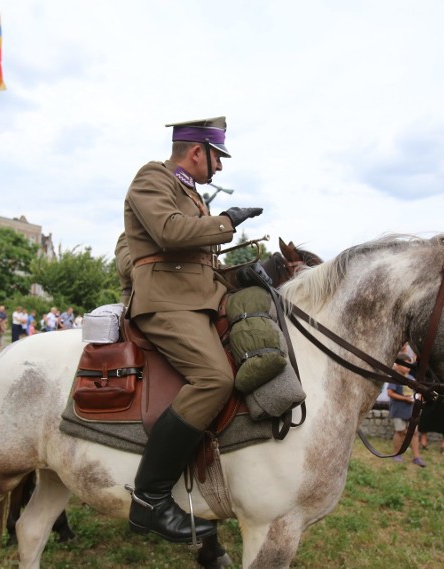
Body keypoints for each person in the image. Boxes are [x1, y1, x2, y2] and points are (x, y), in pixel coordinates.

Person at [123, 116, 262, 543]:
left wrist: (248, 274)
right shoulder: (153, 178)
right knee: (215, 379)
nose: (219, 168)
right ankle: (148, 499)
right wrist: (226, 221)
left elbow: (204, 266)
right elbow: (168, 233)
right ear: (198, 150)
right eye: (217, 157)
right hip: (165, 303)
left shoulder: (192, 196)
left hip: (197, 300)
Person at [386, 353, 425, 467]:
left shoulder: (411, 378)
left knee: (414, 433)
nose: (408, 368)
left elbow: (415, 393)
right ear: (397, 365)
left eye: (409, 365)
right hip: (398, 411)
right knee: (400, 432)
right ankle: (396, 454)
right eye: (405, 365)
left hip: (411, 411)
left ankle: (416, 457)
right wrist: (404, 398)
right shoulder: (395, 378)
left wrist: (418, 397)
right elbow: (390, 393)